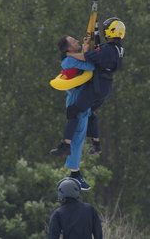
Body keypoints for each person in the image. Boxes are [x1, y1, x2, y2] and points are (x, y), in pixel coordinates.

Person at [50, 18, 125, 161]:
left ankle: (65, 145)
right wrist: (89, 45)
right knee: (90, 113)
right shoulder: (118, 49)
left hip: (97, 86)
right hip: (105, 87)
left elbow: (89, 59)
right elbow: (97, 52)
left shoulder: (108, 50)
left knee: (73, 111)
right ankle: (96, 144)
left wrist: (71, 54)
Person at [50, 35, 95, 191]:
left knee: (80, 136)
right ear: (69, 49)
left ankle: (75, 172)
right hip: (76, 99)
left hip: (80, 96)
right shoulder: (69, 60)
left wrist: (85, 47)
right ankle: (75, 174)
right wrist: (86, 51)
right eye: (74, 41)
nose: (77, 41)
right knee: (78, 138)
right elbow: (90, 66)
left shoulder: (69, 58)